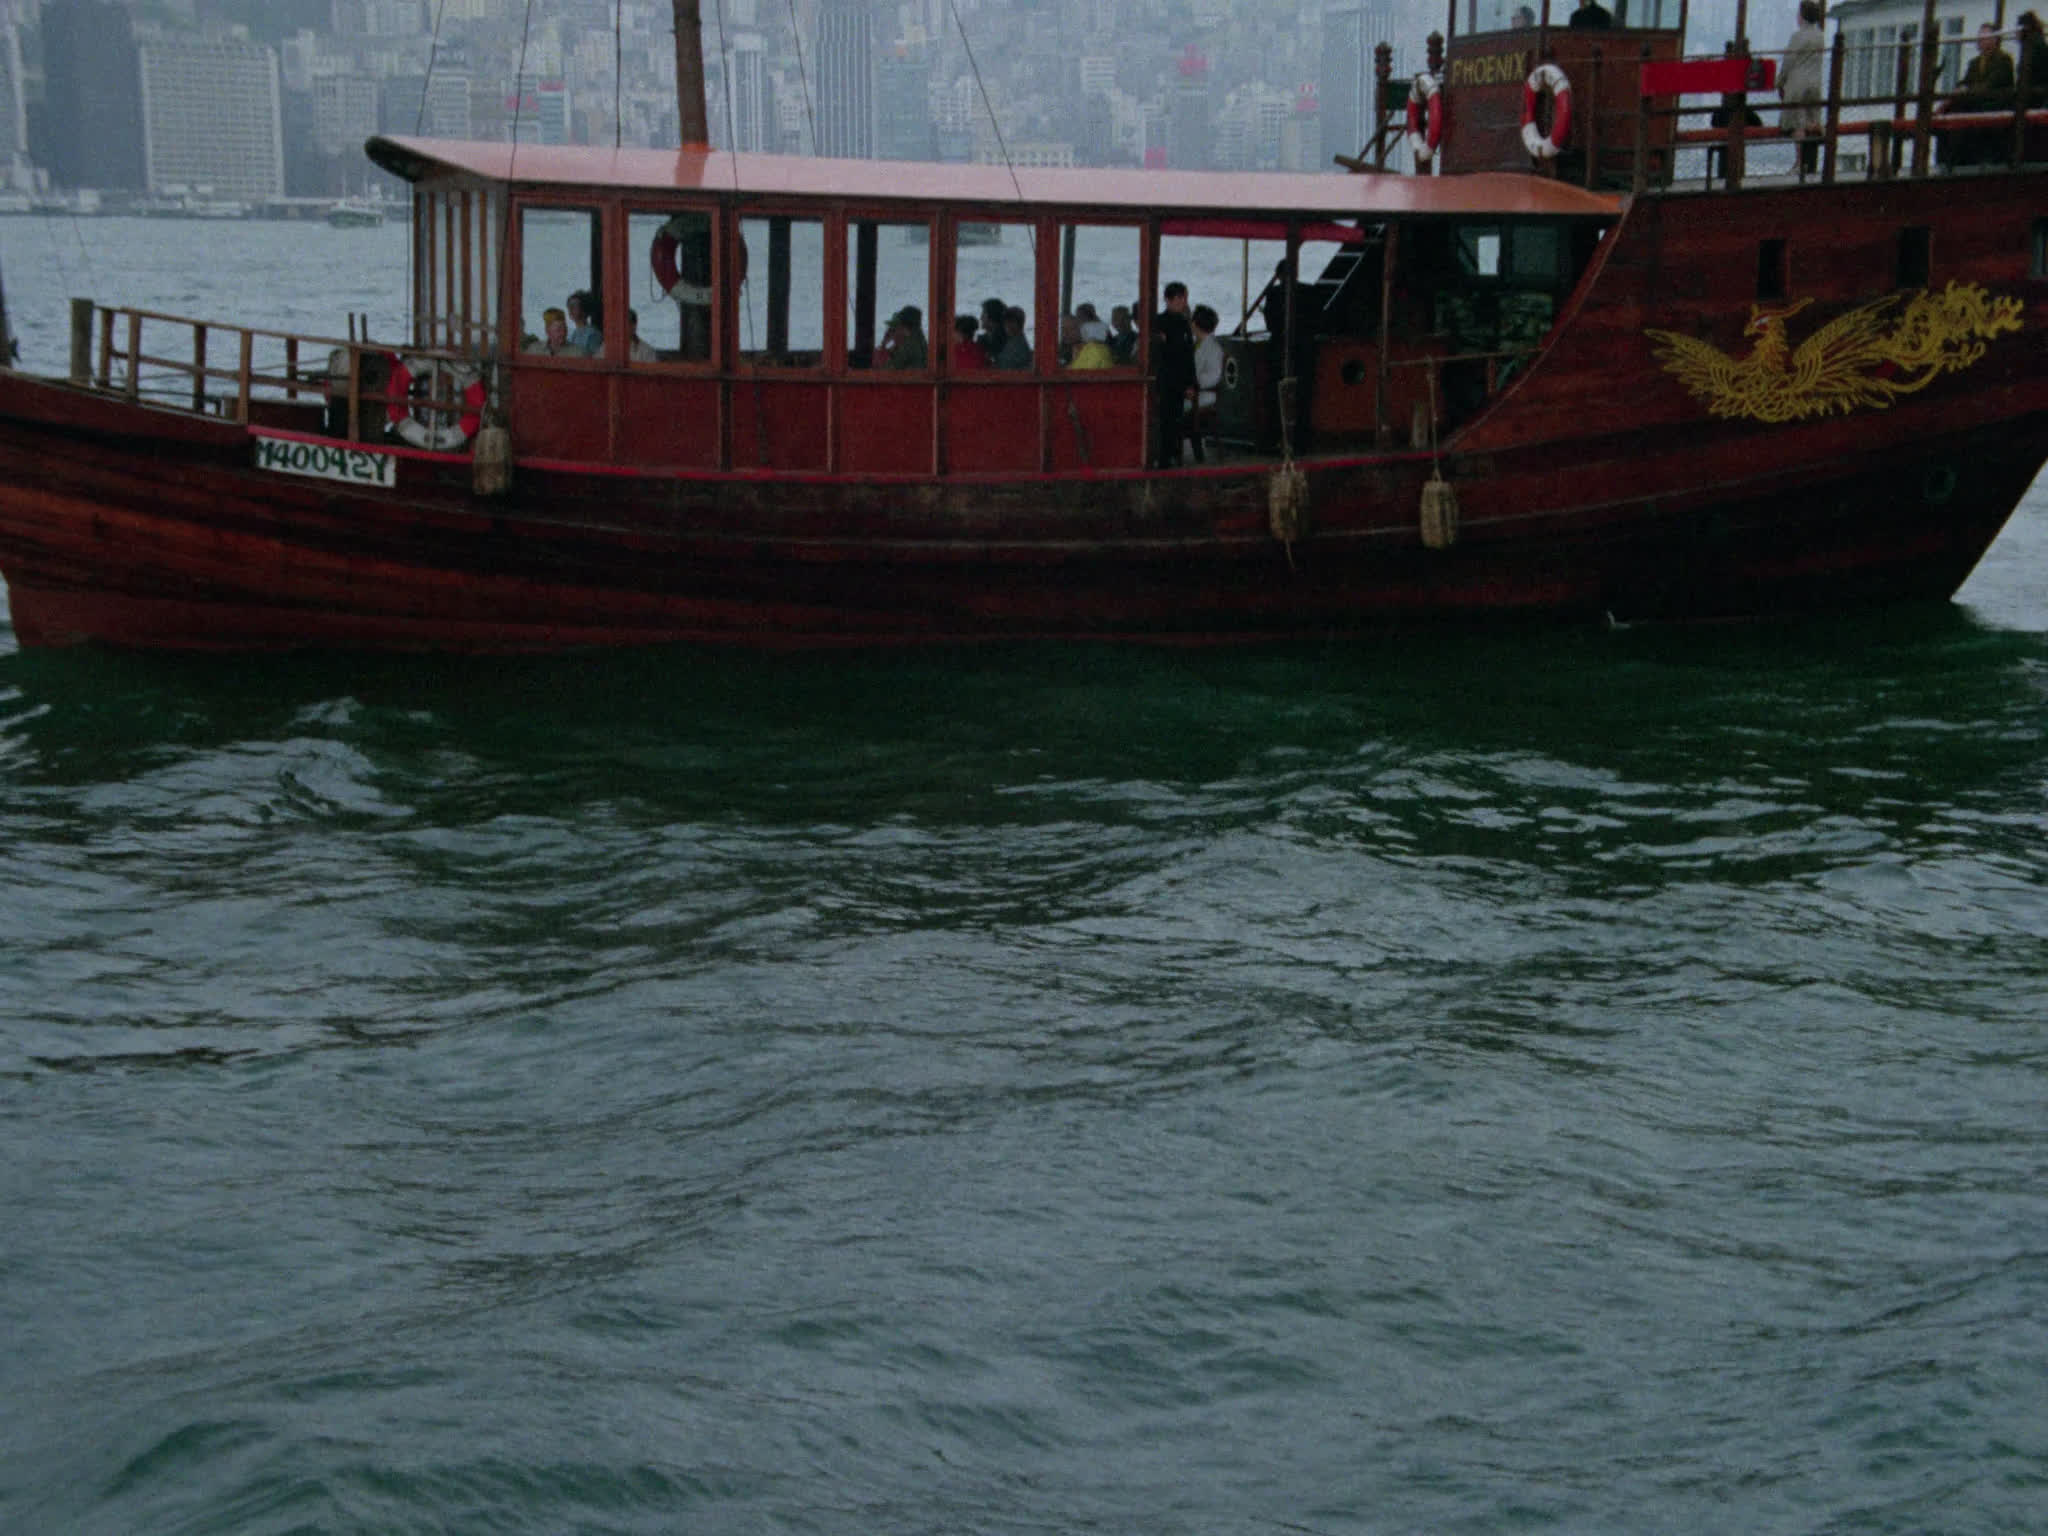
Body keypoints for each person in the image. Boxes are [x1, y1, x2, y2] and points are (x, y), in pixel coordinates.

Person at [1942, 25, 2016, 167]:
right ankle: (1953, 157)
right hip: (1976, 101)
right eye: (1979, 38)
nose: (1979, 42)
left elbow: (1991, 84)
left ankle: (1975, 157)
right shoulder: (1975, 62)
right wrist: (1960, 88)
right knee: (1953, 109)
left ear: (1994, 39)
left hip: (1994, 102)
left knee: (1967, 110)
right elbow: (1966, 81)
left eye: (1984, 38)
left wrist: (1967, 90)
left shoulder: (2003, 60)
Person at [1151, 281, 1196, 467]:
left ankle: (1172, 454)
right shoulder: (1159, 322)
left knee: (1175, 419)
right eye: (1179, 298)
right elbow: (1161, 353)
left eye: (1185, 298)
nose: (1183, 302)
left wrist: (1191, 384)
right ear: (1168, 300)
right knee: (1164, 419)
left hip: (1180, 379)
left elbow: (1188, 356)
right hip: (1164, 378)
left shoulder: (1184, 324)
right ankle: (1162, 457)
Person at [1779, 0, 1825, 176]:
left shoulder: (1798, 37)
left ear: (1802, 16)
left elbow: (1788, 62)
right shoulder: (1820, 35)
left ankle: (1799, 162)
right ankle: (1811, 163)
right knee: (1813, 120)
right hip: (1815, 83)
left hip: (1798, 84)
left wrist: (1780, 81)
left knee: (1798, 124)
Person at [1186, 303, 1224, 463]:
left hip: (1204, 394)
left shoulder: (1213, 348)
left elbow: (1214, 377)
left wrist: (1193, 384)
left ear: (1195, 324)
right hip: (1194, 390)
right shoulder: (1197, 344)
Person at [878, 305, 927, 369]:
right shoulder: (916, 342)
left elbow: (885, 372)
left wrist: (883, 346)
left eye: (894, 328)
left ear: (905, 328)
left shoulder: (909, 348)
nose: (892, 334)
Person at [566, 290, 603, 356]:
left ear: (584, 309)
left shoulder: (593, 335)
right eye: (569, 306)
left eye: (574, 306)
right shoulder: (572, 334)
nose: (570, 309)